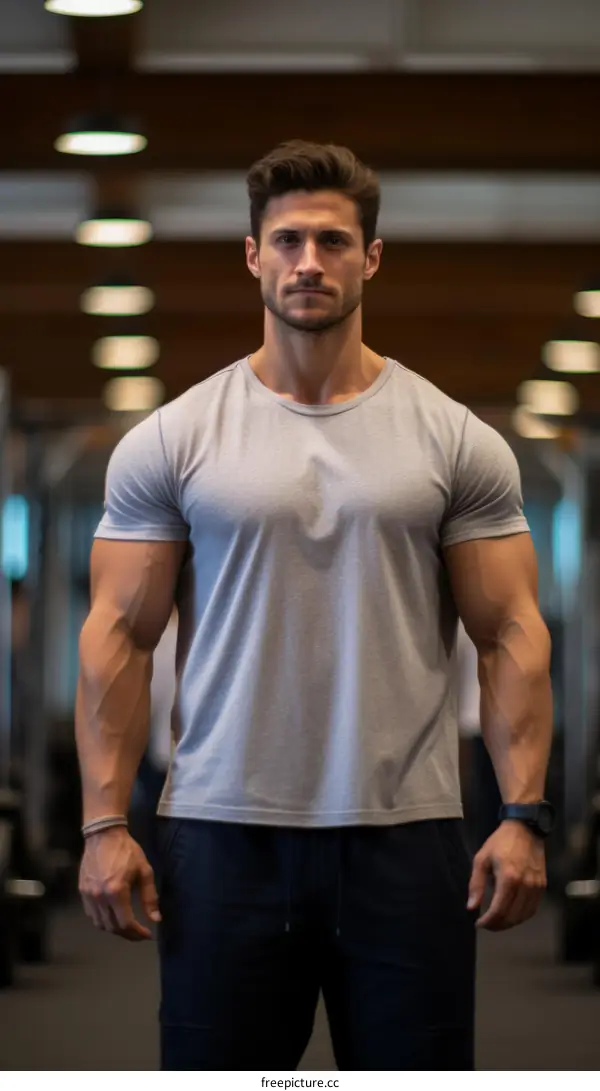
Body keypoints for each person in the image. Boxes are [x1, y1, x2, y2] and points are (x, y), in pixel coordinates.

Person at [76, 140, 554, 1072]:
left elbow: (509, 633)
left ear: (371, 258)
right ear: (252, 254)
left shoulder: (454, 438)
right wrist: (103, 826)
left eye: (333, 242)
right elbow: (119, 638)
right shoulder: (173, 438)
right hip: (221, 832)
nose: (308, 263)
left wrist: (524, 814)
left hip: (407, 834)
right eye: (287, 240)